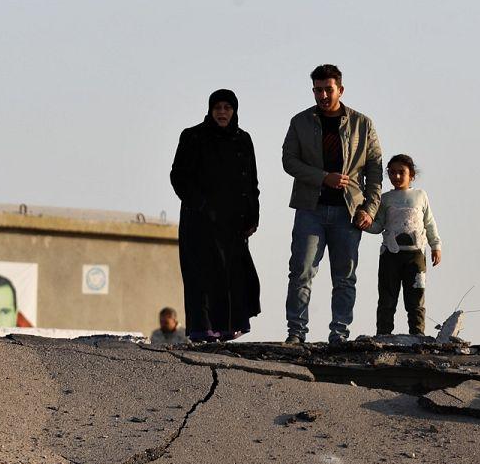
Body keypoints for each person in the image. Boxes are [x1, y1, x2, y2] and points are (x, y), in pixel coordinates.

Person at [282, 64, 383, 344]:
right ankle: (296, 333)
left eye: (328, 89)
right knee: (301, 271)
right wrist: (323, 177)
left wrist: (370, 209)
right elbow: (288, 160)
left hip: (348, 212)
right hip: (309, 209)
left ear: (340, 89)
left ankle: (339, 334)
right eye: (318, 90)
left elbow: (375, 169)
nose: (323, 95)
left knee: (344, 277)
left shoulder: (363, 124)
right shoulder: (299, 122)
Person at [170, 88, 261, 342]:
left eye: (227, 108)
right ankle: (202, 328)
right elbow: (178, 176)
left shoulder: (243, 140)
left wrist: (253, 215)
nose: (222, 113)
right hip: (199, 222)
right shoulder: (193, 136)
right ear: (210, 110)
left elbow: (251, 182)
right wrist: (200, 205)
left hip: (232, 223)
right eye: (218, 108)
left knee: (231, 275)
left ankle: (228, 327)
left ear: (234, 111)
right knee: (201, 274)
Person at [365, 154, 442, 335]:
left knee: (415, 299)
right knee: (387, 298)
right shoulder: (385, 199)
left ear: (412, 175)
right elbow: (378, 226)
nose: (397, 177)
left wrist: (436, 246)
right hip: (390, 256)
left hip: (415, 256)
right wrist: (363, 223)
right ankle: (383, 335)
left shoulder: (420, 196)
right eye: (392, 173)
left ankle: (417, 335)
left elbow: (429, 222)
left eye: (401, 172)